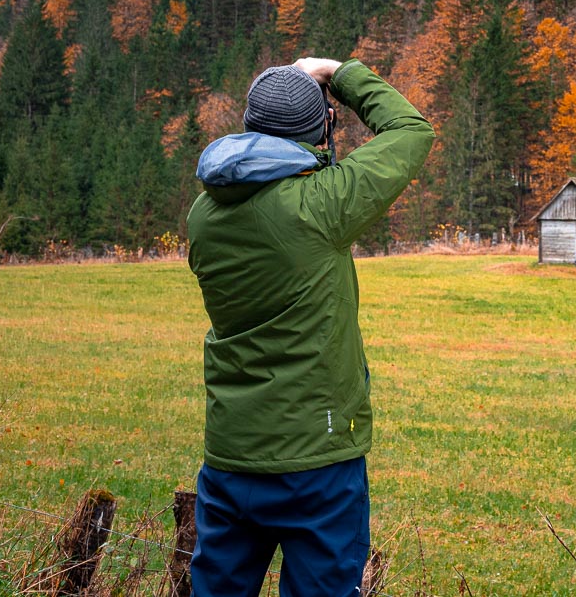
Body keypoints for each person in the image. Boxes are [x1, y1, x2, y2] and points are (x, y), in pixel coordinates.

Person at [186, 57, 433, 595]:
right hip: (316, 461)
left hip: (230, 455)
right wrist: (339, 73)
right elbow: (411, 130)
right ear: (320, 130)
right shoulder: (319, 207)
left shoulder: (203, 214)